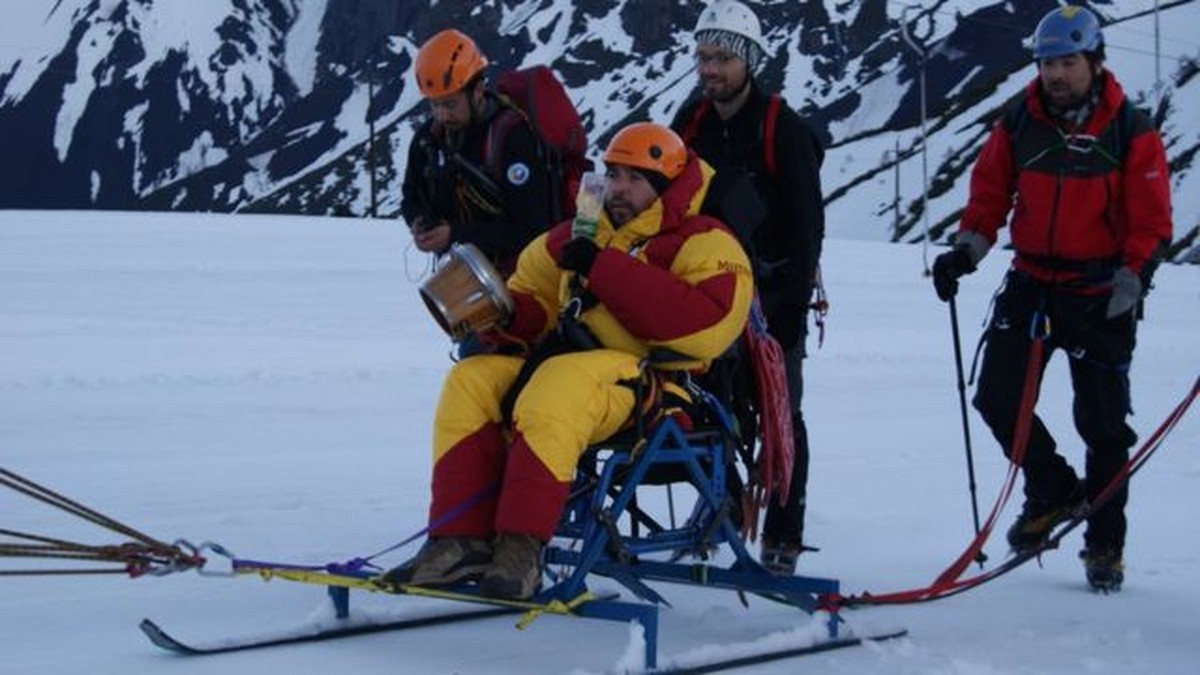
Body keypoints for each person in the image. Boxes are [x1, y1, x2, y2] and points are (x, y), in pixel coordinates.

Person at [383, 122, 755, 600]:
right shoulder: (581, 229)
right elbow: (534, 293)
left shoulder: (704, 239)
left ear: (665, 185)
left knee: (556, 387)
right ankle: (458, 541)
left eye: (635, 179)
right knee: (471, 381)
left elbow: (704, 325)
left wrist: (602, 267)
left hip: (650, 384)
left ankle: (520, 550)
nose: (619, 188)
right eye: (614, 175)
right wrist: (506, 313)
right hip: (567, 363)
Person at [932, 6, 1172, 592]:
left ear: (1094, 61)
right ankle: (1053, 489)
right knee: (997, 398)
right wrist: (965, 252)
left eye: (1067, 62)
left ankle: (1105, 546)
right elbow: (990, 195)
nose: (1056, 75)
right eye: (1047, 64)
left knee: (1104, 427)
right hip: (1032, 282)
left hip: (1100, 291)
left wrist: (1132, 280)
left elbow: (1151, 221)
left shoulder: (1130, 130)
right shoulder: (1021, 120)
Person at [670, 0, 825, 576]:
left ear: (748, 61)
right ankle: (726, 506)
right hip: (710, 294)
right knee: (707, 404)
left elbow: (808, 226)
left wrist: (792, 307)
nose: (710, 69)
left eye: (722, 59)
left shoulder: (782, 128)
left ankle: (783, 532)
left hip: (772, 296)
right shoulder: (692, 123)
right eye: (704, 57)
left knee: (780, 412)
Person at [401, 29, 557, 355]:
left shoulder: (512, 139)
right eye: (434, 105)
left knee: (480, 359)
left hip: (524, 283)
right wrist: (419, 222)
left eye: (450, 104)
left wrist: (455, 233)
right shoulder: (429, 141)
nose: (442, 115)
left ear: (478, 89)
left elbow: (533, 230)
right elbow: (411, 195)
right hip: (468, 284)